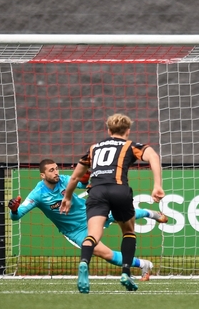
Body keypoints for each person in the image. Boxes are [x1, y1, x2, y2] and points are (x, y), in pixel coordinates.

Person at [8, 159, 167, 281]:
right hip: (75, 231)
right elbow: (17, 216)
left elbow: (83, 185)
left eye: (56, 168)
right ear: (43, 175)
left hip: (91, 214)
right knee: (105, 254)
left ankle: (150, 213)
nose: (56, 172)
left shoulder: (63, 179)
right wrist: (14, 210)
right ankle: (144, 264)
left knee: (123, 215)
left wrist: (84, 179)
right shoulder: (37, 194)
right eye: (51, 170)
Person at [61, 114, 165, 294]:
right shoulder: (131, 145)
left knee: (93, 234)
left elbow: (75, 177)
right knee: (128, 232)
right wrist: (157, 185)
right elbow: (153, 157)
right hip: (119, 191)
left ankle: (84, 263)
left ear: (108, 130)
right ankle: (125, 272)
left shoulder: (94, 148)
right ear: (128, 130)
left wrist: (68, 197)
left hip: (97, 192)